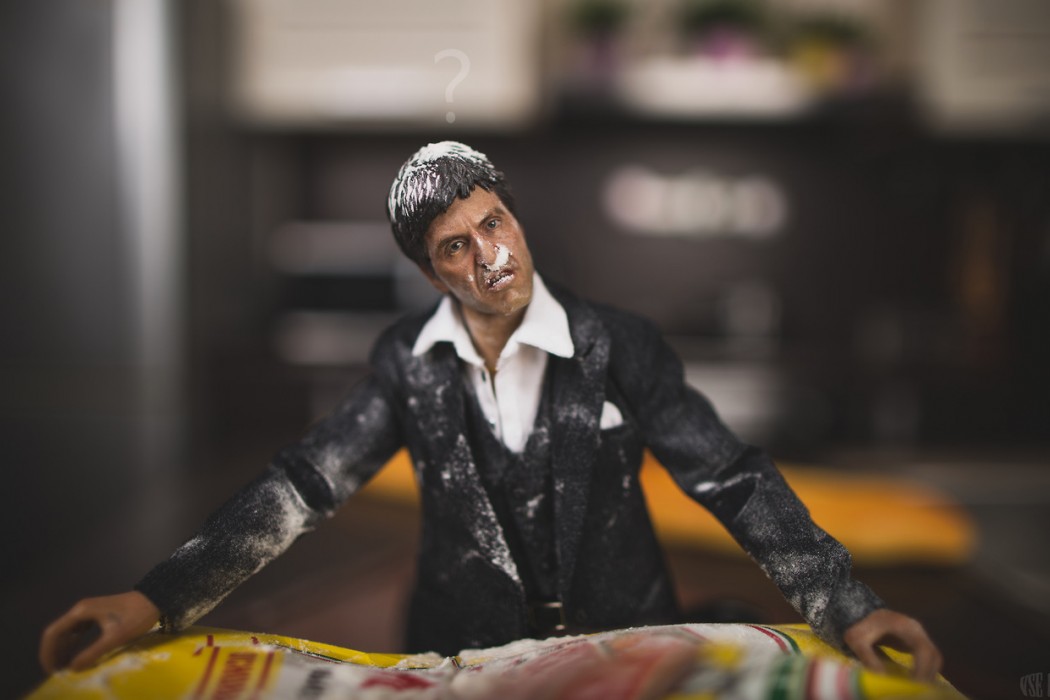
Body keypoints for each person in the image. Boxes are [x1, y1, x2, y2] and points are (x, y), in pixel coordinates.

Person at [40, 141, 942, 681]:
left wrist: (846, 603)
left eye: (496, 223)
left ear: (515, 215)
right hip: (459, 662)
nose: (490, 257)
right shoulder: (406, 363)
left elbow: (730, 477)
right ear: (431, 271)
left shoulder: (619, 344)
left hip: (627, 650)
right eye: (456, 247)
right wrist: (159, 599)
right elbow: (303, 485)